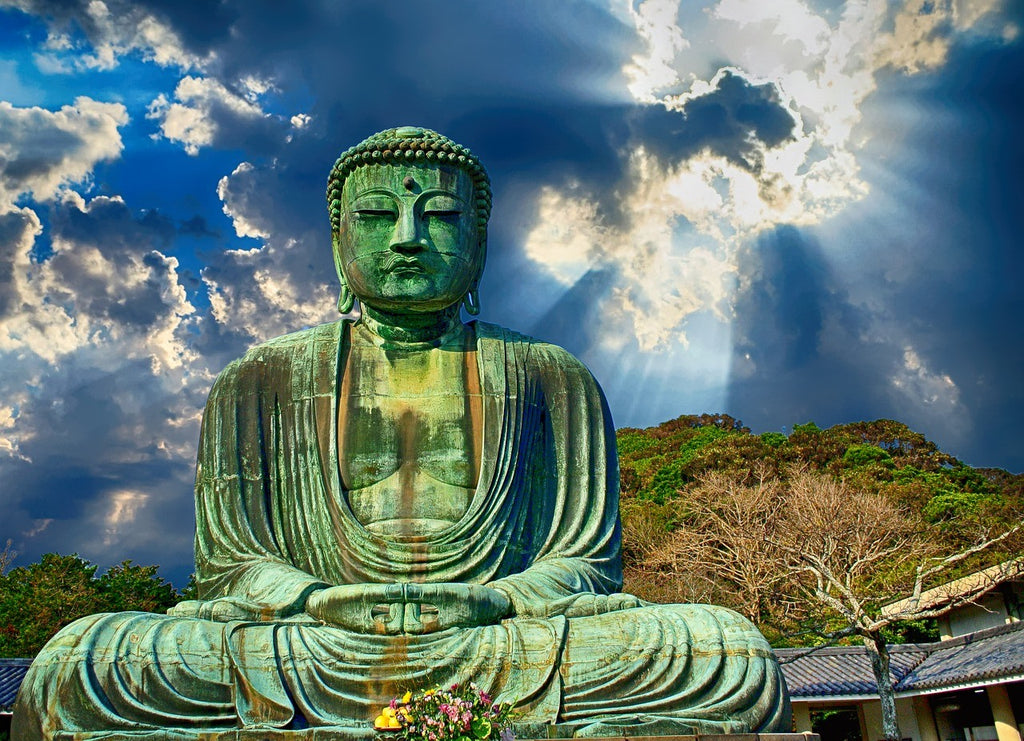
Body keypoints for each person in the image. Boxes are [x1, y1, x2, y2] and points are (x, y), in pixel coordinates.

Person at [13, 127, 790, 739]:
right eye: (378, 215)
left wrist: (491, 602)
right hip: (312, 645)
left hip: (504, 644)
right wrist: (317, 599)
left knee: (723, 652)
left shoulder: (552, 377)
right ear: (337, 240)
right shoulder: (259, 380)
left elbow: (583, 563)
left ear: (479, 242)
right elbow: (233, 567)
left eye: (440, 215)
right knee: (81, 662)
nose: (408, 236)